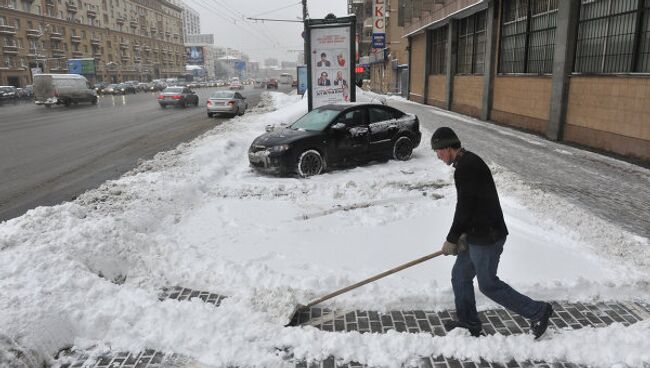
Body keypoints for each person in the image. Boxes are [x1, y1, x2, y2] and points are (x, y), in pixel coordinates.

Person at [431, 127, 553, 339]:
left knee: (488, 285)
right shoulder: (467, 162)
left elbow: (464, 208)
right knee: (460, 275)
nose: (438, 155)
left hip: (487, 237)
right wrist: (462, 234)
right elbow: (472, 206)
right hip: (476, 234)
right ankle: (469, 323)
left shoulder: (466, 168)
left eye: (439, 151)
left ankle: (538, 311)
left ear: (449, 147)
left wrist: (452, 238)